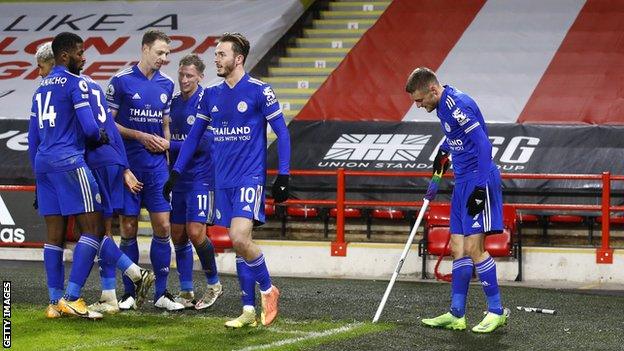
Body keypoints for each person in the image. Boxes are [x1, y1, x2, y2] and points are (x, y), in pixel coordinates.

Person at [164, 32, 291, 327]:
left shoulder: (260, 91)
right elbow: (194, 137)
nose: (216, 59)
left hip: (250, 177)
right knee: (240, 244)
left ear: (238, 58)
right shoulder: (210, 95)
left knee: (238, 237)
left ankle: (268, 289)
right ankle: (248, 310)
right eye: (216, 54)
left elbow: (282, 133)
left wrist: (283, 175)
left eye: (221, 54)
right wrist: (176, 172)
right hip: (222, 180)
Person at [406, 67, 509, 333]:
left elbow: (484, 145)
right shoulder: (441, 107)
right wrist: (443, 151)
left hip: (478, 178)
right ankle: (457, 313)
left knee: (475, 247)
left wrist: (479, 187)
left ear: (432, 89)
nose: (417, 106)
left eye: (419, 100)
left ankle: (496, 311)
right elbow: (457, 136)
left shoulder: (457, 104)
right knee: (457, 247)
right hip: (461, 180)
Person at [29, 32, 110, 320]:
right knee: (93, 228)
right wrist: (100, 136)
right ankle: (73, 297)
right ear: (65, 56)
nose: (84, 56)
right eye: (80, 51)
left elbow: (33, 138)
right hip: (69, 161)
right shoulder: (76, 84)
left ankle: (53, 302)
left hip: (43, 165)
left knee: (55, 235)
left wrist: (38, 181)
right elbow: (89, 129)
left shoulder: (40, 89)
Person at [106, 29, 184, 311]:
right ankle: (130, 293)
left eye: (167, 54)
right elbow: (108, 125)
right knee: (128, 228)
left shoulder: (166, 85)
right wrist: (139, 137)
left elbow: (164, 124)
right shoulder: (121, 81)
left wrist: (166, 155)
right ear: (145, 49)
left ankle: (161, 294)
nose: (164, 58)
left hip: (156, 169)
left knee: (163, 227)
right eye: (160, 52)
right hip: (130, 167)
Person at [169, 54, 223, 310]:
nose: (184, 80)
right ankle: (187, 290)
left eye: (189, 75)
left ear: (200, 77)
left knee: (195, 232)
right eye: (181, 74)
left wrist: (168, 144)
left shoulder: (207, 101)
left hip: (201, 177)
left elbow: (203, 143)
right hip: (178, 177)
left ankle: (214, 284)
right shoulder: (174, 103)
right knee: (177, 234)